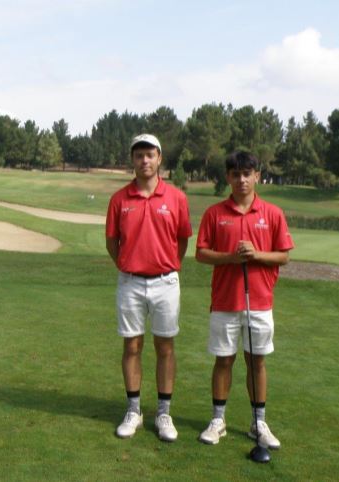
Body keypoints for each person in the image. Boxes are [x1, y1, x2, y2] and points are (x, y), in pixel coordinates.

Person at [195, 151, 294, 449]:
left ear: (257, 176)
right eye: (235, 174)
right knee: (223, 360)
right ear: (228, 177)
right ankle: (218, 420)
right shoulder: (215, 213)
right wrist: (231, 257)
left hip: (260, 301)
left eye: (247, 174)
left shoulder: (272, 213)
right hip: (225, 301)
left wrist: (256, 255)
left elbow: (284, 255)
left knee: (257, 361)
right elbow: (200, 253)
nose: (241, 180)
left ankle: (258, 422)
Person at [105, 133, 192, 442]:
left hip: (166, 282)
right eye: (139, 155)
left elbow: (182, 240)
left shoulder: (177, 198)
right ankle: (133, 410)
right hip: (130, 282)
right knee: (131, 346)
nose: (144, 160)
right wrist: (130, 265)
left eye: (150, 155)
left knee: (165, 347)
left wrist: (166, 265)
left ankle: (164, 413)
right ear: (133, 160)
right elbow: (112, 242)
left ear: (159, 159)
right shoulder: (119, 199)